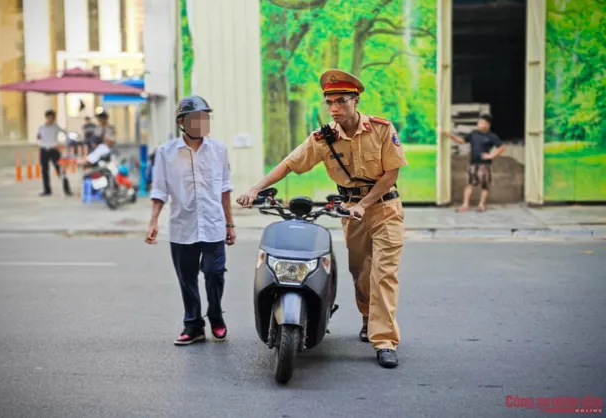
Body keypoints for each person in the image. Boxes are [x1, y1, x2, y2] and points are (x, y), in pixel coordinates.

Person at [237, 69, 407, 369]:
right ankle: (369, 316)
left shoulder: (381, 129)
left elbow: (392, 172)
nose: (334, 108)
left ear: (356, 101)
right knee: (361, 272)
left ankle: (384, 341)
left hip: (383, 208)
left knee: (384, 275)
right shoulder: (323, 138)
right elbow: (289, 164)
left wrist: (365, 204)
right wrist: (254, 189)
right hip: (350, 211)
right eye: (329, 102)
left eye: (340, 101)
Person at [145, 95, 236, 346]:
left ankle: (216, 317)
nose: (203, 122)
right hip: (182, 226)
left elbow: (225, 188)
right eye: (197, 117)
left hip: (213, 224)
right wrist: (153, 221)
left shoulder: (219, 150)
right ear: (182, 122)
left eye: (205, 117)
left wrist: (230, 223)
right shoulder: (166, 153)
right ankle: (193, 325)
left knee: (214, 273)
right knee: (187, 279)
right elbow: (159, 190)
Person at [446, 114, 506, 212]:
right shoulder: (473, 133)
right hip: (473, 164)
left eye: (481, 123)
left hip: (485, 165)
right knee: (469, 184)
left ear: (487, 125)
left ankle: (481, 205)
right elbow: (462, 141)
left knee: (484, 186)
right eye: (478, 122)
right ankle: (465, 205)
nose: (479, 124)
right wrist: (451, 136)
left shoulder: (491, 136)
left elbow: (502, 147)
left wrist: (491, 156)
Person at [36, 109, 69, 197]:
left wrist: (62, 144)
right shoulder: (41, 127)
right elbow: (38, 138)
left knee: (60, 169)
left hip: (54, 149)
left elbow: (66, 133)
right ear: (46, 117)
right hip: (44, 149)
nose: (51, 120)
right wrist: (41, 144)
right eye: (50, 118)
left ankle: (66, 189)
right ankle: (47, 190)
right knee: (44, 171)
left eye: (53, 118)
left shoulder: (55, 127)